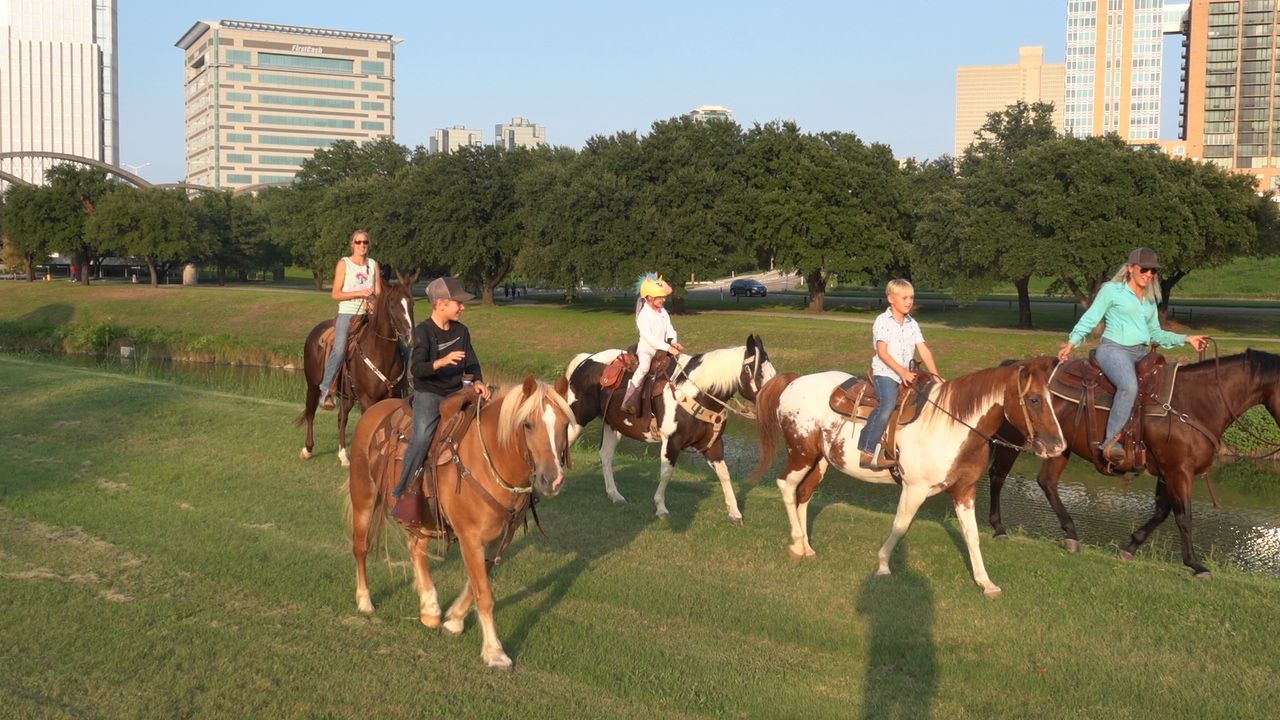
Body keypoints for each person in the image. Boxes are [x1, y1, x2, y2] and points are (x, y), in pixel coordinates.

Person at [1058, 247, 1208, 463]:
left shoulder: (1150, 299)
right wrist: (1071, 343)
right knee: (1129, 387)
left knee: (1163, 387)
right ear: (1130, 268)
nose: (1149, 274)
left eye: (1153, 271)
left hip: (1140, 352)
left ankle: (1153, 441)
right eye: (1144, 269)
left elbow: (1155, 333)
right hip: (1113, 349)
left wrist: (1187, 338)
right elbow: (1091, 318)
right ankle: (1110, 442)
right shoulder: (1111, 290)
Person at [391, 276, 490, 500]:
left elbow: (472, 363)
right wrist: (440, 362)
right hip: (429, 393)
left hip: (457, 393)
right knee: (423, 435)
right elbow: (417, 369)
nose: (462, 307)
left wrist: (478, 382)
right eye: (458, 303)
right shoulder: (423, 331)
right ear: (441, 304)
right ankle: (403, 488)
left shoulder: (462, 332)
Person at [857, 279, 942, 470]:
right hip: (886, 373)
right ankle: (867, 450)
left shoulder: (912, 323)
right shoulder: (883, 321)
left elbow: (923, 350)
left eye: (911, 297)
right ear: (891, 299)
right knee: (887, 404)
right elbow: (882, 352)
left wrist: (936, 376)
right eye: (904, 298)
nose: (909, 301)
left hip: (909, 373)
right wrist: (902, 372)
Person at [317, 230, 382, 410]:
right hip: (348, 313)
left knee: (397, 343)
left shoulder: (373, 264)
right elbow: (335, 294)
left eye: (365, 242)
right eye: (358, 242)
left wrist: (373, 301)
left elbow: (378, 292)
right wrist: (360, 293)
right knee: (339, 349)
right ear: (352, 244)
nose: (362, 245)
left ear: (369, 245)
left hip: (369, 315)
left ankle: (402, 386)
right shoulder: (344, 263)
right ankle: (326, 390)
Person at [622, 272, 683, 416]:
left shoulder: (663, 312)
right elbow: (650, 339)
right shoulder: (643, 315)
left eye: (663, 297)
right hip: (647, 349)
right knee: (644, 367)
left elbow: (670, 329)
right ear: (649, 297)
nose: (663, 300)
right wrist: (668, 348)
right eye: (660, 297)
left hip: (663, 348)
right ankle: (629, 397)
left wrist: (674, 342)